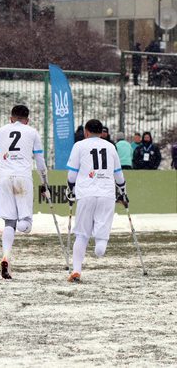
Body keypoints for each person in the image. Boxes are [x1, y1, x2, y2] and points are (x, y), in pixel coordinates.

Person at [65, 119, 128, 283]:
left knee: (81, 234)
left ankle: (76, 271)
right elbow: (119, 175)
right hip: (107, 194)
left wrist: (70, 187)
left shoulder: (79, 146)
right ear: (102, 132)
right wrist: (123, 191)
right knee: (102, 230)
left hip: (86, 193)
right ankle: (100, 247)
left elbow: (72, 174)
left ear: (86, 132)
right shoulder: (111, 147)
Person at [0, 105, 47, 280]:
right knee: (26, 223)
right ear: (27, 120)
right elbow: (40, 160)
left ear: (11, 118)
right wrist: (44, 181)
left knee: (9, 222)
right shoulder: (32, 132)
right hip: (23, 178)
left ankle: (6, 256)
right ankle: (22, 226)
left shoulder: (2, 131)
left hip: (5, 178)